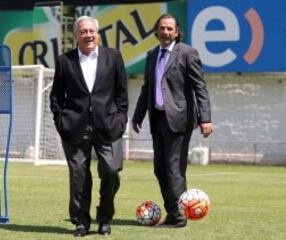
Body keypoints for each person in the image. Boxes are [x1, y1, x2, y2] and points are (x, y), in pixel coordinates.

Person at [132, 14, 213, 228]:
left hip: (178, 119)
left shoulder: (187, 53)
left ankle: (179, 217)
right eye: (162, 28)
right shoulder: (151, 55)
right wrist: (138, 115)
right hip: (157, 118)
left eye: (170, 29)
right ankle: (172, 211)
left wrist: (205, 118)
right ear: (156, 32)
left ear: (177, 32)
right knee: (160, 168)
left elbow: (200, 87)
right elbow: (147, 87)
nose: (166, 32)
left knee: (174, 168)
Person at [50, 16, 128, 237]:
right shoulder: (65, 61)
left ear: (97, 33)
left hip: (109, 125)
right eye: (83, 31)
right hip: (75, 126)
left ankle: (105, 217)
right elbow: (56, 96)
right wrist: (61, 121)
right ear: (76, 35)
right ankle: (81, 222)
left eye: (91, 31)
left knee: (111, 171)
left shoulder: (113, 57)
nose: (88, 35)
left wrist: (120, 119)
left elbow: (122, 93)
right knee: (78, 175)